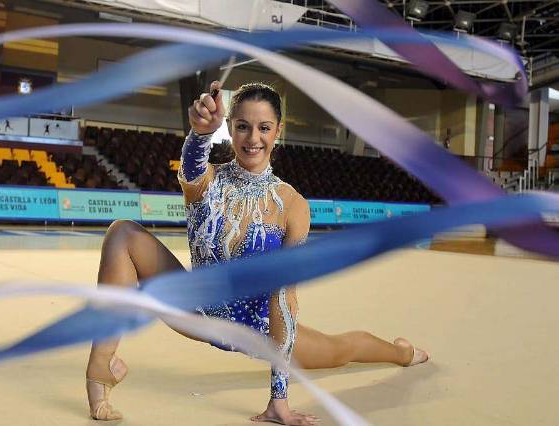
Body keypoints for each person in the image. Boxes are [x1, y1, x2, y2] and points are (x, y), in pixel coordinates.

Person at [85, 81, 429, 425]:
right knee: (122, 233)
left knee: (340, 350)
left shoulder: (292, 205)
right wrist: (200, 133)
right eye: (243, 127)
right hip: (196, 310)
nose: (253, 139)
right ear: (230, 128)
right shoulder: (206, 182)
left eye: (264, 128)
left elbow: (283, 299)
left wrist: (278, 398)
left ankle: (401, 351)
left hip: (258, 330)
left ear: (278, 130)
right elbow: (190, 165)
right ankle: (101, 368)